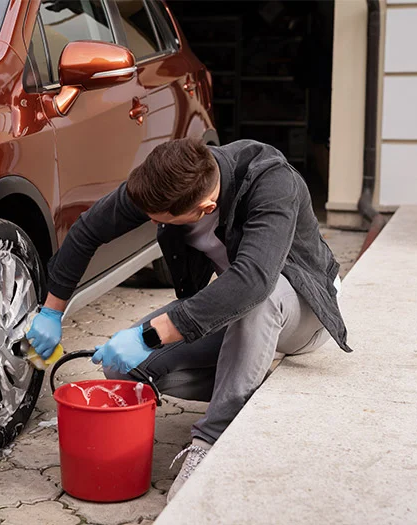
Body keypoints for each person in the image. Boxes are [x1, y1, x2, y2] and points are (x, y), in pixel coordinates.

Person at [26, 138, 352, 502]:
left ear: (205, 207)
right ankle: (248, 385)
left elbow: (252, 282)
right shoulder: (171, 179)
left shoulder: (272, 182)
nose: (149, 221)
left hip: (303, 312)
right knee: (125, 372)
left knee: (258, 299)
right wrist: (51, 312)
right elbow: (88, 230)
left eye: (159, 221)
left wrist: (150, 336)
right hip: (236, 311)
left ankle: (209, 441)